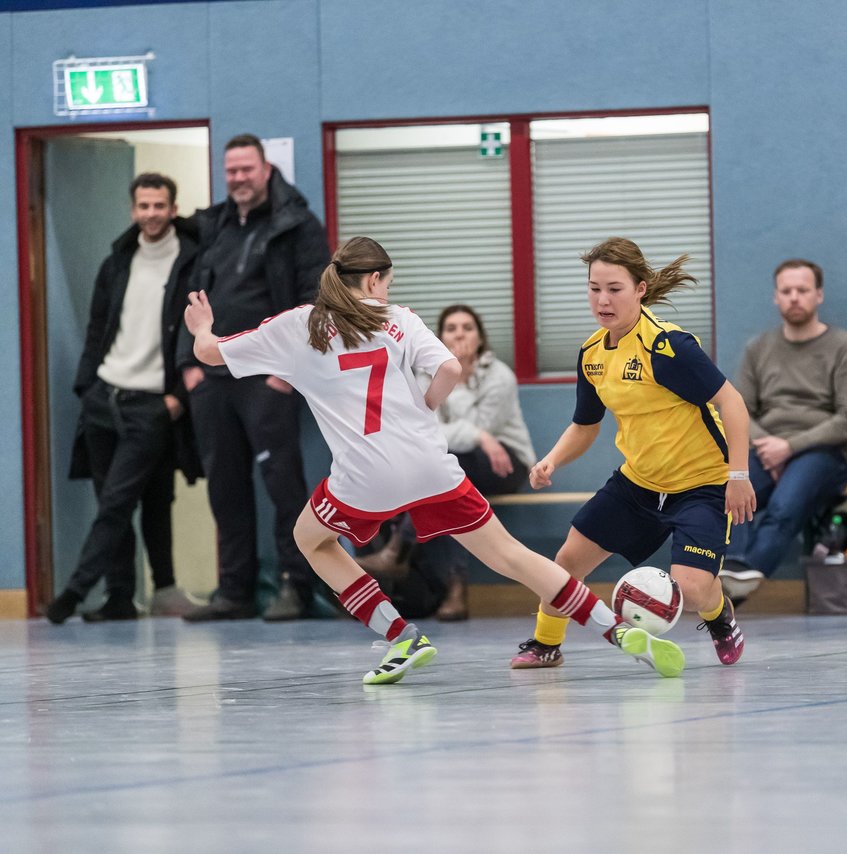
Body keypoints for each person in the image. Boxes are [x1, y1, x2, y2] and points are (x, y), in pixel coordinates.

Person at [183, 236, 685, 682]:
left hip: (362, 479)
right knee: (513, 557)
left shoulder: (300, 326)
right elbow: (448, 367)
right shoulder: (399, 319)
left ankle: (401, 636)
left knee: (309, 540)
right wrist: (424, 407)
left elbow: (211, 354)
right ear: (376, 279)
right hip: (430, 467)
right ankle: (616, 633)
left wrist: (203, 327)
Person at [509, 237, 756, 669]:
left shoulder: (669, 348)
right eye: (594, 288)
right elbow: (586, 425)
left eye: (614, 289)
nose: (602, 300)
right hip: (639, 484)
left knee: (694, 590)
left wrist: (738, 476)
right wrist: (552, 459)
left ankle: (720, 617)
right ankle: (546, 643)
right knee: (566, 560)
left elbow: (732, 403)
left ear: (640, 289)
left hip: (701, 485)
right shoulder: (592, 353)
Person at [177, 134, 331, 622]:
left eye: (246, 169)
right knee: (224, 486)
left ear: (266, 170)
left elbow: (317, 299)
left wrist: (289, 375)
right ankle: (235, 590)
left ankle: (295, 586)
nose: (238, 179)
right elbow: (189, 298)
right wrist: (189, 367)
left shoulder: (298, 225)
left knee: (284, 484)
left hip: (268, 377)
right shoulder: (214, 227)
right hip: (213, 377)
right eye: (231, 171)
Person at [46, 173, 203, 624]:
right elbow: (97, 329)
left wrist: (175, 399)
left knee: (118, 502)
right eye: (143, 206)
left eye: (159, 206)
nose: (150, 214)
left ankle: (74, 592)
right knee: (123, 500)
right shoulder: (117, 261)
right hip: (103, 400)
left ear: (173, 209)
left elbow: (202, 329)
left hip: (151, 405)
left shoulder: (192, 261)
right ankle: (119, 596)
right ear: (132, 210)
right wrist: (87, 388)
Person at [356, 304, 537, 621]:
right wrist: (474, 433)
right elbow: (428, 431)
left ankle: (399, 550)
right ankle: (454, 588)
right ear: (439, 338)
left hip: (506, 461)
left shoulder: (499, 376)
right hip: (459, 461)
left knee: (450, 467)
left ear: (480, 337)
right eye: (452, 329)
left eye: (468, 328)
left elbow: (485, 427)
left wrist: (463, 380)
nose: (460, 334)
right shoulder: (426, 374)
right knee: (448, 482)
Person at [718, 259, 847, 603]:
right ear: (776, 298)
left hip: (825, 451)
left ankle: (731, 594)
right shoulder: (758, 348)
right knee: (733, 490)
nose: (794, 297)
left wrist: (790, 447)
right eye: (786, 291)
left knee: (785, 505)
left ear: (819, 295)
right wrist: (768, 446)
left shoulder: (843, 346)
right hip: (764, 447)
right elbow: (739, 410)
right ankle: (731, 571)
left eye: (802, 290)